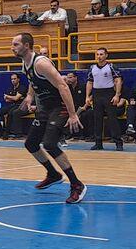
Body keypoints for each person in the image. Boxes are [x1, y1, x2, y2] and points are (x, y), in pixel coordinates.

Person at [12, 33, 86, 203]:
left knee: (50, 144)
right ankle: (53, 174)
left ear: (27, 45)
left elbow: (63, 86)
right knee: (31, 143)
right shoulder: (25, 63)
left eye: (16, 44)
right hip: (46, 108)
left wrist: (73, 114)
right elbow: (32, 81)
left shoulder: (41, 63)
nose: (12, 48)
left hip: (60, 106)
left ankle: (77, 185)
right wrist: (29, 96)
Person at [84, 47, 123, 151]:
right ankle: (98, 143)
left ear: (106, 55)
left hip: (108, 93)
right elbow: (90, 82)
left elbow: (118, 80)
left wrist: (117, 95)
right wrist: (87, 96)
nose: (99, 56)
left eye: (101, 54)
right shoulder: (92, 67)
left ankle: (118, 142)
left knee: (112, 119)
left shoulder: (111, 66)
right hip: (97, 94)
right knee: (97, 119)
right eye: (97, 54)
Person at [0, 73, 25, 139]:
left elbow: (16, 98)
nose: (13, 80)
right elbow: (7, 100)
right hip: (12, 104)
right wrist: (12, 98)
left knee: (10, 113)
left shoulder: (22, 87)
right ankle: (0, 132)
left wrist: (8, 96)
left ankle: (7, 133)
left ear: (18, 79)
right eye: (12, 79)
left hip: (20, 105)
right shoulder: (10, 88)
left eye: (14, 79)